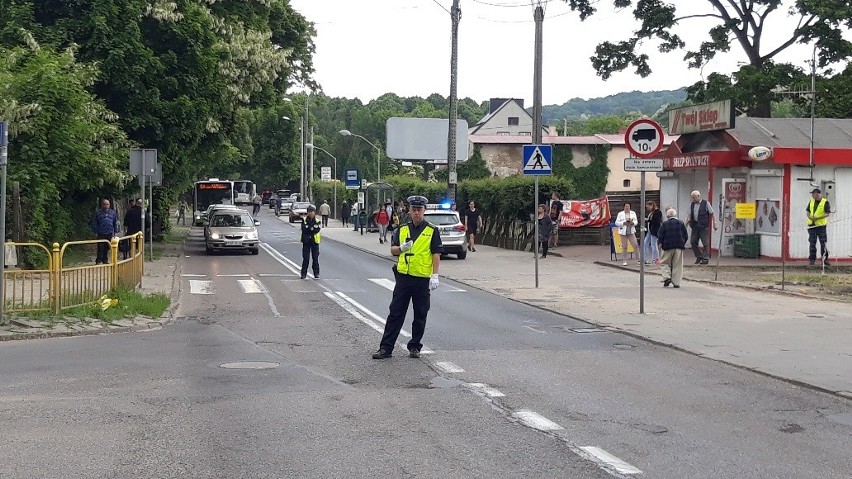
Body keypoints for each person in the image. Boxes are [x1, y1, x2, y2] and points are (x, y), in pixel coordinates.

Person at [373, 195, 442, 359]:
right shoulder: (402, 229)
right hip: (403, 278)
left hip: (422, 278)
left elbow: (436, 254)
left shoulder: (432, 230)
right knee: (395, 313)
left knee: (420, 314)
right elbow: (393, 250)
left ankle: (415, 346)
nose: (416, 213)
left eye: (419, 210)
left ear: (424, 211)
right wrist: (402, 248)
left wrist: (435, 275)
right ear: (409, 211)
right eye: (414, 210)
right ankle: (386, 348)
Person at [657, 208, 688, 288]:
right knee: (677, 264)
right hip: (679, 246)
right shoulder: (681, 223)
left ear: (667, 216)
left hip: (667, 246)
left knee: (664, 262)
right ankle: (676, 282)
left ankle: (667, 277)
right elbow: (685, 235)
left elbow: (660, 235)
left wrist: (660, 243)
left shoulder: (664, 224)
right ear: (675, 215)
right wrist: (682, 243)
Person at [687, 190, 716, 265]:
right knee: (693, 242)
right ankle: (699, 255)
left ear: (698, 196)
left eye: (694, 197)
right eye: (692, 197)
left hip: (704, 226)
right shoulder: (692, 204)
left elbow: (712, 213)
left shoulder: (706, 203)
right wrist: (685, 225)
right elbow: (689, 216)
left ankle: (705, 258)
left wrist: (714, 224)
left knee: (705, 243)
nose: (693, 199)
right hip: (695, 226)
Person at [806, 187, 831, 266]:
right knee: (812, 243)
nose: (812, 195)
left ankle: (824, 260)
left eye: (813, 194)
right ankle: (812, 260)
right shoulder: (811, 201)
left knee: (823, 243)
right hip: (812, 226)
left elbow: (827, 213)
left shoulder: (825, 202)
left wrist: (817, 218)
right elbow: (808, 211)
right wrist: (809, 217)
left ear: (817, 194)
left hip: (821, 226)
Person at [91, 198, 119, 264]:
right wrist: (95, 232)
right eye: (105, 204)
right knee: (100, 247)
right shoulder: (98, 213)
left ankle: (105, 260)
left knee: (107, 247)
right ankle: (98, 260)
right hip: (101, 232)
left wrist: (115, 231)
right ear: (102, 205)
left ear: (109, 205)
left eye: (107, 204)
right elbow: (95, 223)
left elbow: (115, 222)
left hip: (109, 232)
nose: (106, 206)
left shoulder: (112, 213)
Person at [300, 205, 321, 279]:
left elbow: (317, 230)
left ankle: (316, 273)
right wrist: (311, 229)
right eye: (309, 212)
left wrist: (310, 229)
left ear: (314, 212)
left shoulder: (318, 221)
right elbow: (304, 229)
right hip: (306, 242)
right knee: (306, 258)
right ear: (307, 213)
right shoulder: (304, 220)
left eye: (312, 212)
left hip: (314, 242)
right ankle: (303, 273)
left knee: (315, 258)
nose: (311, 213)